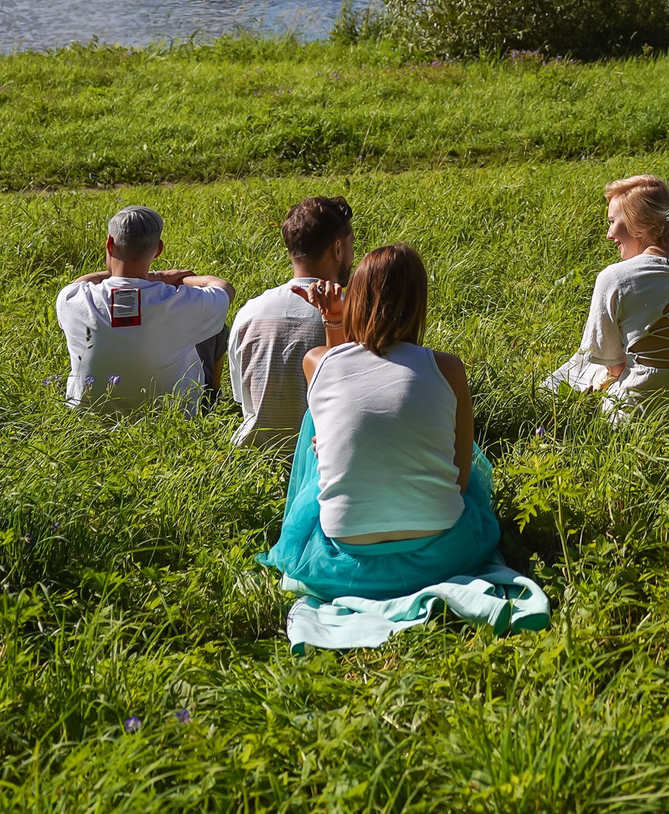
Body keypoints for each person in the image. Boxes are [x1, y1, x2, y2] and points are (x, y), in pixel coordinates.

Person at [262, 245, 544, 646]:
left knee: (319, 429)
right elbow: (461, 479)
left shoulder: (316, 362)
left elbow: (341, 380)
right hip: (444, 553)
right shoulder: (447, 367)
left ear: (354, 297)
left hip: (342, 565)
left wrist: (333, 319)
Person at [543, 176, 669, 421]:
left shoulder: (614, 277)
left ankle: (544, 403)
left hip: (642, 417)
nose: (608, 234)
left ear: (639, 221)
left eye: (613, 222)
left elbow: (613, 366)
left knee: (589, 363)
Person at [55, 206, 234, 415]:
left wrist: (150, 276)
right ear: (158, 249)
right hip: (173, 415)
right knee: (216, 327)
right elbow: (224, 288)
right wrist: (171, 278)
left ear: (110, 244)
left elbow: (81, 281)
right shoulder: (182, 301)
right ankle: (212, 399)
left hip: (88, 417)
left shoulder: (73, 299)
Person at [230, 196, 354, 450]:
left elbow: (241, 400)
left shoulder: (249, 312)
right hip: (327, 458)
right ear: (338, 249)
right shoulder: (357, 312)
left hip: (256, 460)